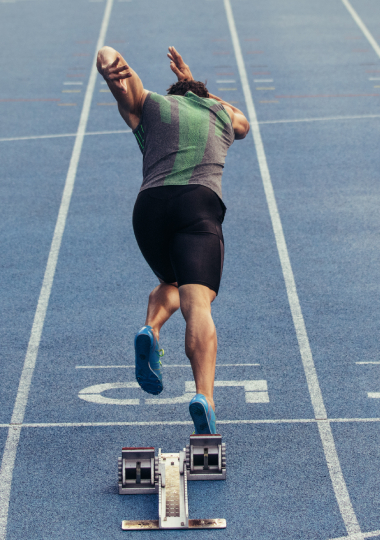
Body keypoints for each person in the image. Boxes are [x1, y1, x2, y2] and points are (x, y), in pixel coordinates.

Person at [95, 45, 250, 435]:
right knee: (198, 302)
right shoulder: (220, 114)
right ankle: (204, 397)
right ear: (201, 96)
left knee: (173, 284)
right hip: (197, 205)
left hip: (149, 209)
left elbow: (110, 59)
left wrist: (109, 63)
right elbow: (245, 123)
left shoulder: (152, 106)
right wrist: (201, 89)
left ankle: (151, 328)